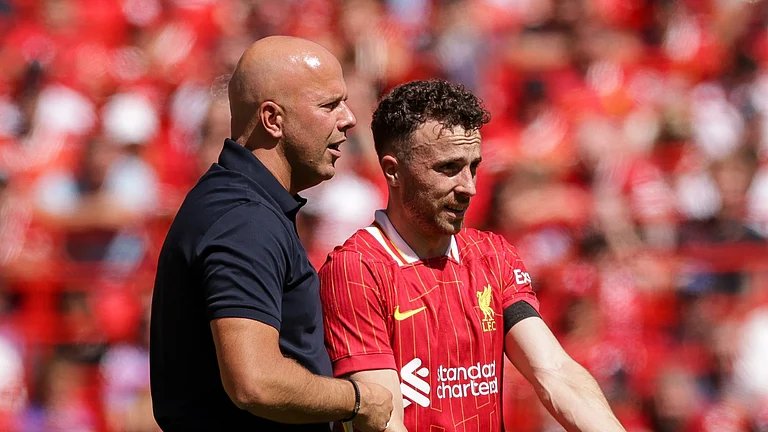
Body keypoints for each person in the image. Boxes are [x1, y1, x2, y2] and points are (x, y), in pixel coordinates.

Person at [318, 79, 626, 431]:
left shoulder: (493, 256)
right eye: (448, 168)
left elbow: (554, 372)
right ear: (393, 171)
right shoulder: (357, 268)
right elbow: (381, 418)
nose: (470, 187)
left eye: (473, 166)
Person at [149, 36, 393, 432]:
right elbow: (255, 382)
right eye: (330, 104)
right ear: (273, 119)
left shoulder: (246, 205)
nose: (348, 118)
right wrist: (358, 400)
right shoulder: (244, 219)